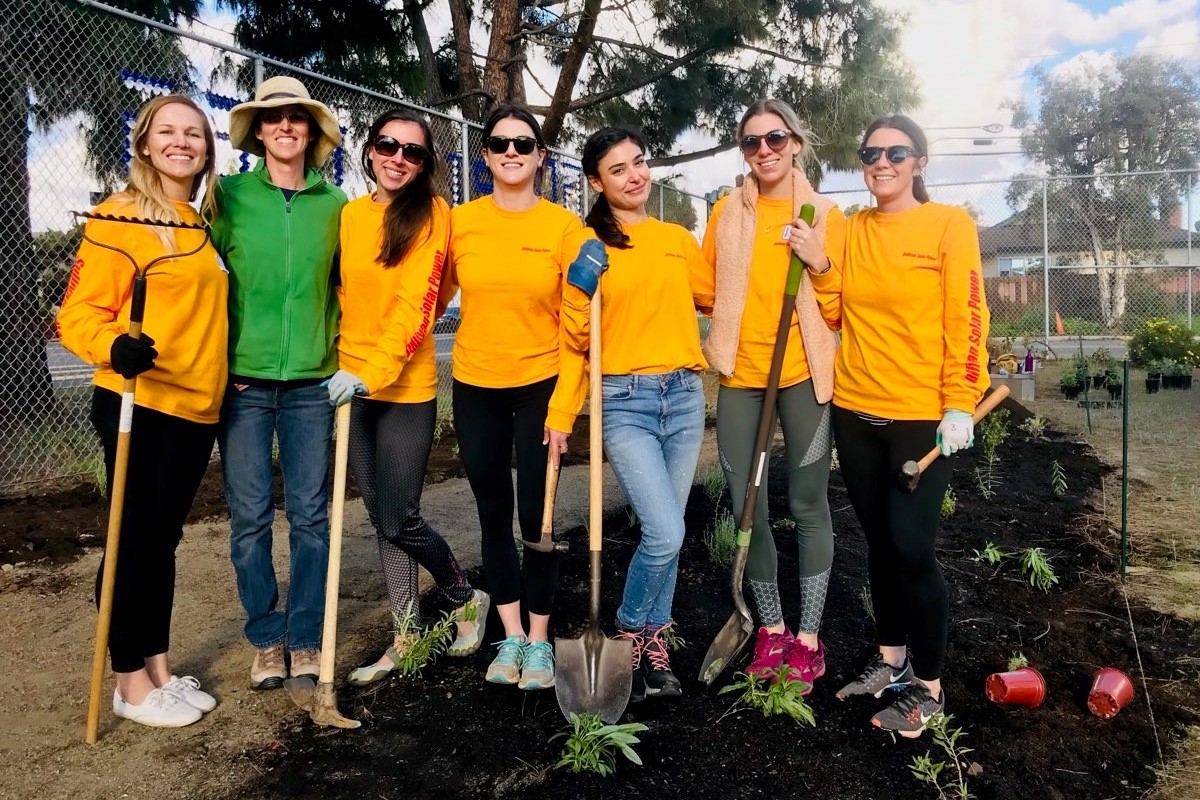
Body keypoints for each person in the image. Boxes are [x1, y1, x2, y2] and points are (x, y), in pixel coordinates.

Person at [814, 115, 990, 737]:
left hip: (920, 416)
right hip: (856, 412)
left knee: (913, 549)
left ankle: (929, 687)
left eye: (895, 152)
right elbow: (834, 313)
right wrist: (819, 266)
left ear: (918, 161)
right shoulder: (853, 229)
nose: (880, 162)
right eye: (870, 152)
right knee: (881, 546)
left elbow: (967, 314)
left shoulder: (948, 225)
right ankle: (890, 661)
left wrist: (960, 400)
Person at [58, 94, 226, 727]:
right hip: (141, 401)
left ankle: (158, 666)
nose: (183, 142)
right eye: (169, 132)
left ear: (207, 148)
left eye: (195, 133)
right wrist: (112, 345)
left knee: (161, 541)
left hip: (196, 407)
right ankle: (128, 682)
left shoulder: (200, 220)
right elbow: (77, 314)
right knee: (134, 541)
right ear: (146, 144)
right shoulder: (117, 219)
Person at [545, 126, 713, 702]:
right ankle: (627, 628)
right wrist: (578, 283)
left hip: (686, 396)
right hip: (624, 398)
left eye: (639, 163)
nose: (634, 175)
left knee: (668, 530)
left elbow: (719, 297)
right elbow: (575, 337)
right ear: (596, 181)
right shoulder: (588, 242)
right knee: (666, 532)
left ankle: (652, 641)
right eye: (617, 169)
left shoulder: (676, 239)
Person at [326, 109, 490, 686]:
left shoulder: (433, 217)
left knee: (399, 513)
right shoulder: (349, 215)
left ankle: (464, 595)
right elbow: (342, 294)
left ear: (424, 165)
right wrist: (341, 368)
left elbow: (419, 306)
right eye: (388, 146)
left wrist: (371, 372)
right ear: (370, 151)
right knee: (381, 519)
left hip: (403, 386)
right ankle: (406, 634)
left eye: (413, 152)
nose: (398, 157)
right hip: (350, 383)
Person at [701, 98, 843, 693]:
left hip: (804, 372)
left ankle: (808, 637)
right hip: (742, 375)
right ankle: (771, 630)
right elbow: (705, 290)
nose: (765, 150)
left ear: (796, 144)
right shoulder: (725, 213)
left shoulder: (825, 213)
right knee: (747, 504)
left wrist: (820, 262)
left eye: (776, 138)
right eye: (753, 141)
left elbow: (838, 306)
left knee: (808, 502)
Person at [440, 104, 582, 690]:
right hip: (475, 385)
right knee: (493, 511)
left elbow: (578, 329)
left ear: (540, 156)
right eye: (500, 143)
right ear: (486, 155)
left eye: (524, 143)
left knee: (538, 518)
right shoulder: (460, 223)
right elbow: (427, 290)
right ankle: (512, 634)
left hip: (541, 385)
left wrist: (564, 407)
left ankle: (542, 642)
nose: (512, 152)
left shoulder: (564, 229)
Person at [212, 76, 346, 690]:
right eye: (273, 119)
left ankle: (307, 636)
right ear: (258, 131)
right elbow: (195, 275)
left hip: (313, 385)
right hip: (242, 382)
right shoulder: (228, 198)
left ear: (312, 133)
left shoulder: (337, 206)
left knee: (312, 516)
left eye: (297, 118)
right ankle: (267, 638)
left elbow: (358, 286)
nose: (285, 127)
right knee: (250, 518)